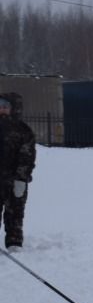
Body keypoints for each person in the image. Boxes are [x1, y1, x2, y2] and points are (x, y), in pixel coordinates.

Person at [0, 93, 37, 250]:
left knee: (14, 212)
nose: (2, 109)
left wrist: (21, 179)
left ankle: (14, 243)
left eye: (5, 107)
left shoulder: (23, 131)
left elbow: (27, 156)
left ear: (14, 109)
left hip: (14, 180)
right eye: (0, 106)